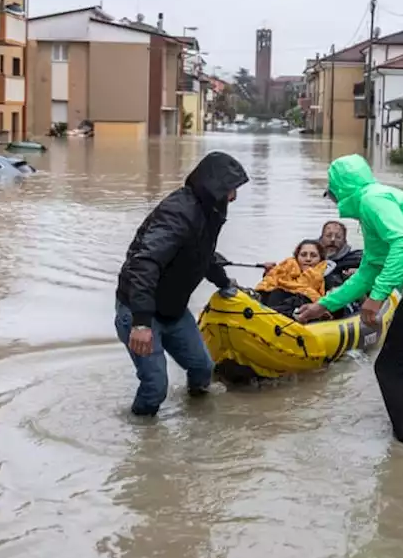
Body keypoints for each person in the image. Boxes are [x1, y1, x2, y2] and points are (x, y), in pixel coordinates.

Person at [296, 154, 403, 451]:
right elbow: (368, 270)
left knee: (388, 368)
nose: (333, 200)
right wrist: (323, 305)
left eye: (332, 193)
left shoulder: (372, 200)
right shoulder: (374, 205)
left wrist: (376, 298)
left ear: (341, 188)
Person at [115, 151, 249, 416]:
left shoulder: (210, 211)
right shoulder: (178, 213)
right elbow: (144, 263)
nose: (234, 196)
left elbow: (203, 256)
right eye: (232, 189)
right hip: (140, 310)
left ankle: (198, 418)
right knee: (155, 386)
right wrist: (141, 322)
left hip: (173, 310)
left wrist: (224, 282)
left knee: (203, 369)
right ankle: (142, 439)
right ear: (216, 186)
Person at [254, 239, 327, 317]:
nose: (308, 259)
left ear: (320, 259)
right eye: (303, 255)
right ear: (296, 257)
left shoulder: (328, 277)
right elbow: (267, 287)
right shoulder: (282, 271)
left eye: (313, 255)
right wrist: (267, 274)